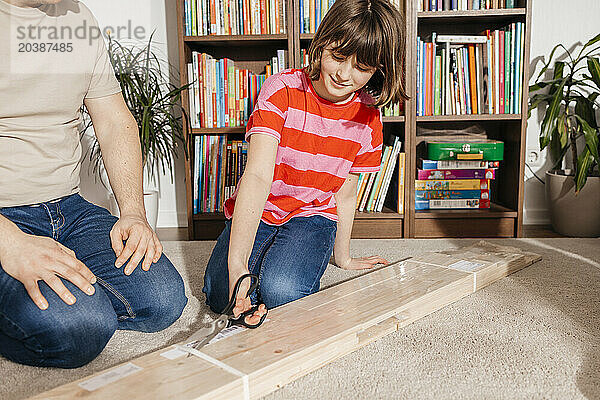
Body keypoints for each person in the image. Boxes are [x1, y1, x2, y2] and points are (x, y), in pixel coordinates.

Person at [0, 0, 187, 368]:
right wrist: (11, 243)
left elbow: (114, 120)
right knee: (80, 328)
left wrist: (133, 212)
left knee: (162, 300)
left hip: (67, 207)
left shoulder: (78, 16)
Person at [203, 0, 408, 322]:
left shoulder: (369, 117)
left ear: (380, 69)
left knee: (283, 294)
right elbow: (256, 176)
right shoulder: (281, 89)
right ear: (322, 43)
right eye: (338, 57)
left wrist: (343, 257)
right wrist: (237, 265)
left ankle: (298, 263)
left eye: (362, 67)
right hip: (263, 208)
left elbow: (346, 191)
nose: (343, 74)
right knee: (220, 295)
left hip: (313, 217)